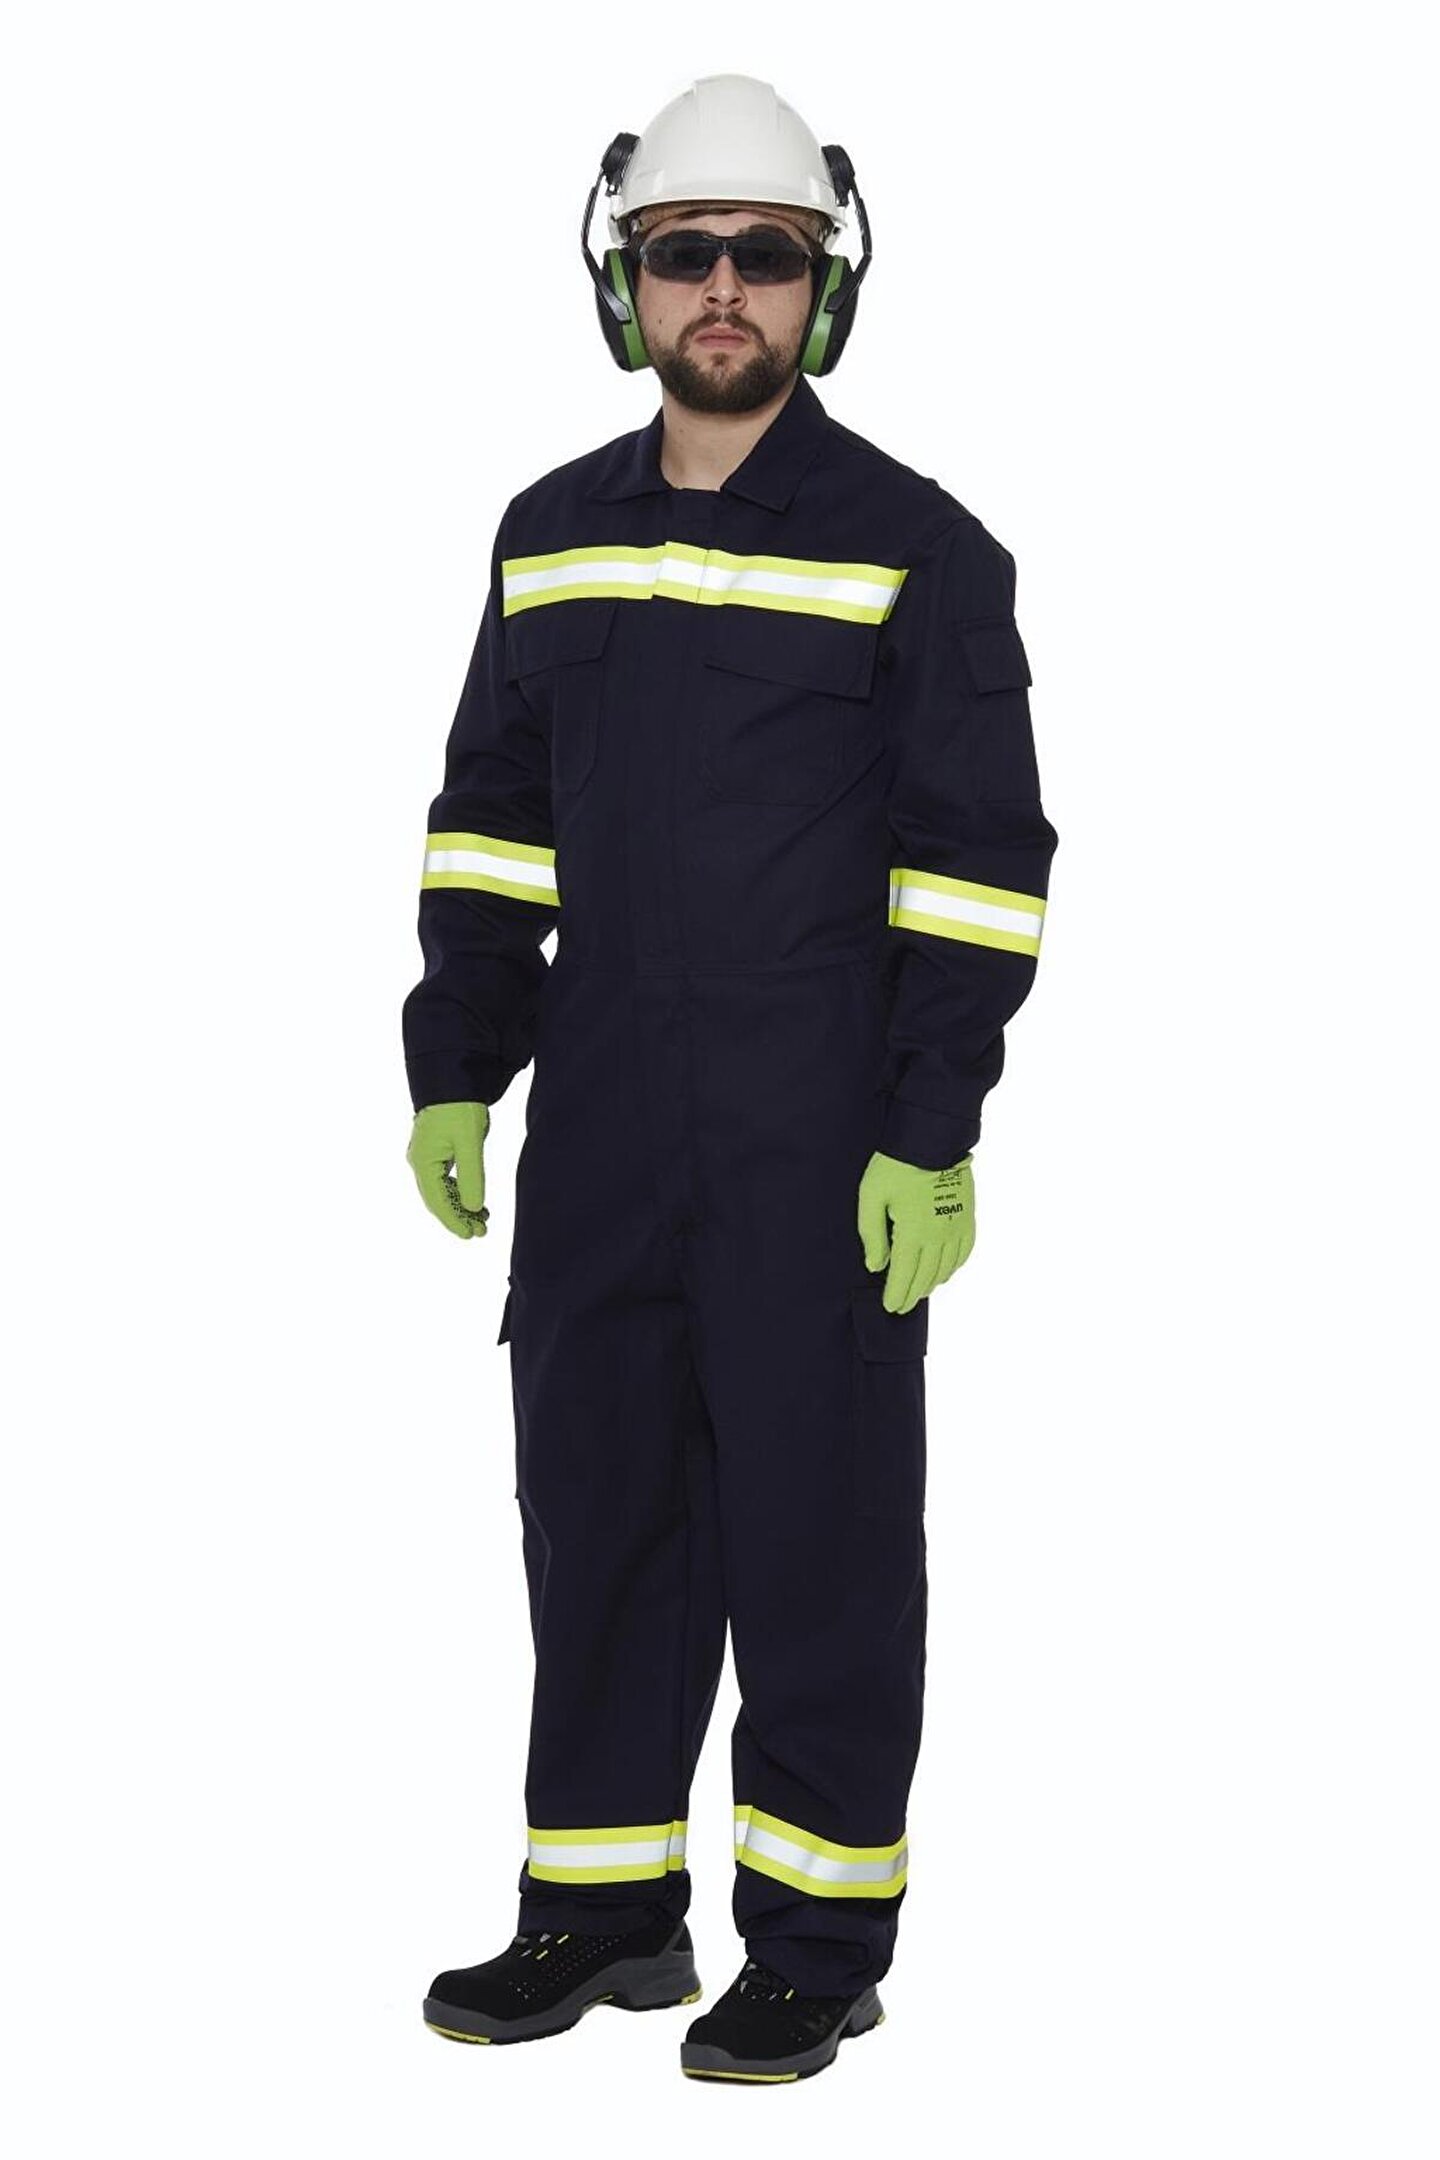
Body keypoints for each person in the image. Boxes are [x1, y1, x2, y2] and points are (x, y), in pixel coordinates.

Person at [402, 72, 1058, 2084]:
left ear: (822, 289)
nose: (721, 288)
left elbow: (978, 863)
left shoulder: (918, 549)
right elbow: (491, 825)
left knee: (818, 1539)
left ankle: (820, 1943)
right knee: (596, 1515)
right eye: (683, 251)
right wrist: (456, 1062)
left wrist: (928, 1128)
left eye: (763, 256)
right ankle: (603, 1910)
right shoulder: (548, 538)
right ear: (622, 279)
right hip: (603, 1134)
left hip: (814, 1143)